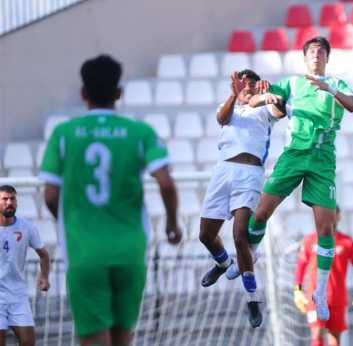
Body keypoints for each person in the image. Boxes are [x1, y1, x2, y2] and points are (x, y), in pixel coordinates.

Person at [39, 54, 182, 346]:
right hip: (129, 250)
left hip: (85, 252)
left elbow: (51, 195)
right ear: (119, 93)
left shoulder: (64, 134)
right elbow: (165, 183)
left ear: (83, 93)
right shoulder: (139, 132)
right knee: (122, 339)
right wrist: (171, 224)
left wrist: (72, 220)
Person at [241, 36, 353, 321]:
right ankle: (252, 253)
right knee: (262, 211)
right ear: (305, 57)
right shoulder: (293, 83)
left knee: (326, 228)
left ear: (327, 58)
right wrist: (262, 96)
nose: (316, 55)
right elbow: (255, 99)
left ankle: (319, 291)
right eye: (312, 51)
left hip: (322, 160)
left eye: (321, 51)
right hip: (294, 155)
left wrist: (329, 89)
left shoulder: (337, 84)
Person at [198, 69, 285, 328]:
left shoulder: (264, 108)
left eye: (251, 83)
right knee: (205, 235)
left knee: (239, 235)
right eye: (242, 82)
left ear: (258, 87)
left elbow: (280, 109)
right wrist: (233, 95)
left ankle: (252, 298)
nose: (246, 86)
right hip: (223, 170)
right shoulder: (230, 106)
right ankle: (223, 263)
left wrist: (272, 96)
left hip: (249, 173)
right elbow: (222, 119)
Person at [293, 206, 353, 346]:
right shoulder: (310, 240)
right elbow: (301, 265)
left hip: (337, 298)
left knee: (334, 338)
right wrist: (297, 289)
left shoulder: (347, 242)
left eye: (332, 214)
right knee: (316, 334)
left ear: (338, 216)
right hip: (315, 298)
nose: (329, 217)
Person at [0, 185, 50, 346]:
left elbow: (44, 255)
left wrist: (44, 277)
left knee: (28, 342)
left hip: (17, 294)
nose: (9, 203)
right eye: (5, 199)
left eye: (12, 199)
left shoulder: (27, 227)